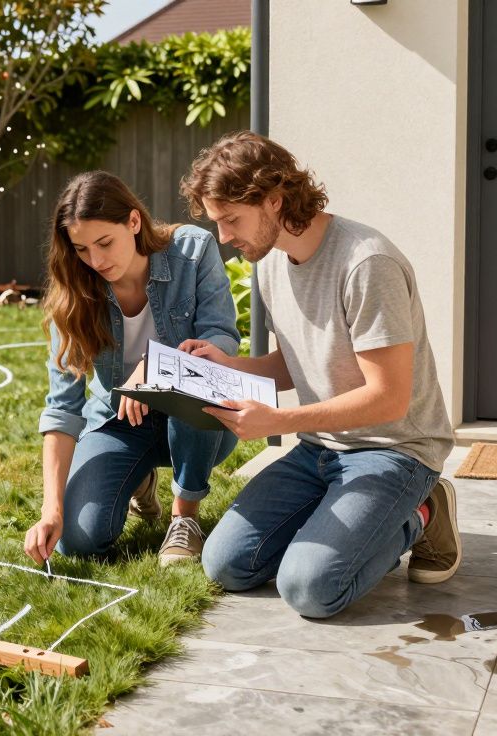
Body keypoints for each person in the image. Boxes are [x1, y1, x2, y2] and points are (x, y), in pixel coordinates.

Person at [177, 131, 460, 619]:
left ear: (275, 200)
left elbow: (388, 400)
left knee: (311, 588)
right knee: (226, 565)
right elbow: (301, 359)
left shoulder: (367, 263)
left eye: (231, 220)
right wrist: (229, 366)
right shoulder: (270, 263)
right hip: (319, 449)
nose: (223, 237)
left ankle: (423, 511)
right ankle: (338, 522)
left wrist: (277, 422)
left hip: (393, 451)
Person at [25, 171, 240, 567]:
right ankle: (138, 477)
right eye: (82, 249)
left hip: (200, 418)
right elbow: (63, 407)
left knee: (190, 379)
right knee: (80, 539)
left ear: (134, 222)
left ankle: (184, 517)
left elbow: (222, 338)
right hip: (119, 421)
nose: (96, 261)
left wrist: (155, 375)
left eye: (105, 242)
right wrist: (50, 510)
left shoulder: (193, 251)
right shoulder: (72, 294)